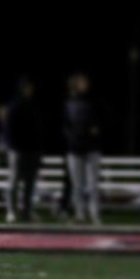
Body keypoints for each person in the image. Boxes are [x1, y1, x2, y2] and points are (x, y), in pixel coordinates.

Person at [63, 73, 102, 224]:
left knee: (93, 184)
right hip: (74, 148)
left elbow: (102, 119)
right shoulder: (68, 103)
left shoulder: (94, 101)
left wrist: (96, 129)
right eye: (81, 82)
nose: (84, 84)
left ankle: (95, 214)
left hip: (92, 148)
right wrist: (71, 137)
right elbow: (64, 125)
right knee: (77, 185)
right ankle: (80, 214)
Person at [4, 76, 43, 222]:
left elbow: (38, 128)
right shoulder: (15, 103)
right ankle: (11, 211)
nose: (29, 88)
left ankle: (27, 211)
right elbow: (9, 127)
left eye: (30, 86)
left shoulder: (34, 104)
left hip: (32, 149)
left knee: (30, 182)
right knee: (14, 180)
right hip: (18, 149)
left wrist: (39, 147)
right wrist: (13, 146)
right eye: (27, 86)